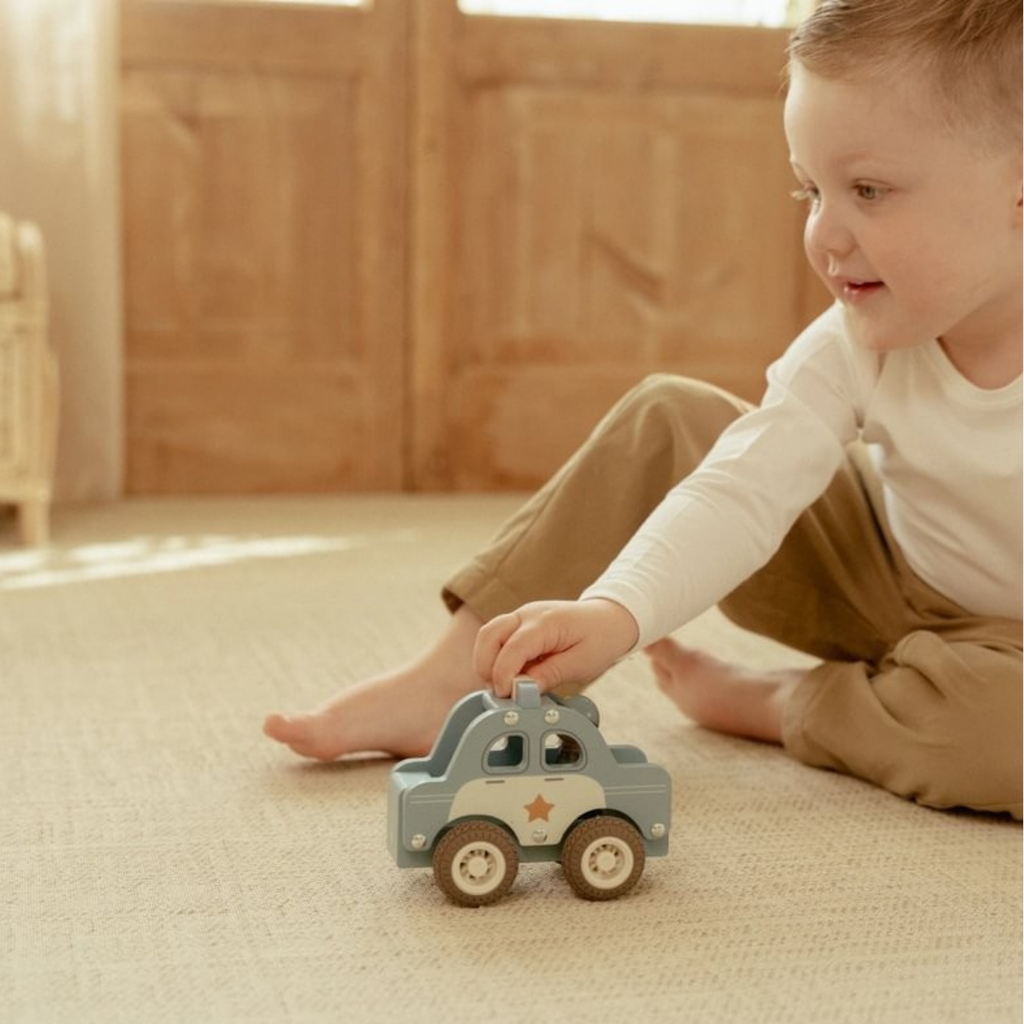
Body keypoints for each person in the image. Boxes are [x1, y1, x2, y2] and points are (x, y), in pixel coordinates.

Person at [265, 0, 1023, 818]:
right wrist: (614, 611)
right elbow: (741, 488)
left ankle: (782, 704)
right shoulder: (854, 343)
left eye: (868, 190)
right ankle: (457, 682)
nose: (824, 235)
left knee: (1003, 740)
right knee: (671, 417)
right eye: (809, 189)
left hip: (1007, 656)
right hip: (879, 568)